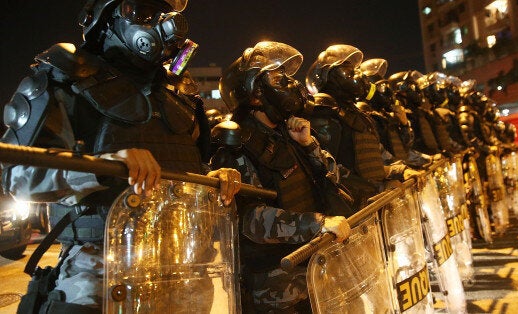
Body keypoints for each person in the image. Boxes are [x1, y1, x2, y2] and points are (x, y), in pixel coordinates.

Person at [0, 1, 241, 312]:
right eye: (139, 10)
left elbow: (193, 165)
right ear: (104, 15)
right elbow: (14, 176)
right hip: (99, 275)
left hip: (182, 274)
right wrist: (102, 169)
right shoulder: (67, 77)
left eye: (164, 14)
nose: (158, 22)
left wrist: (214, 181)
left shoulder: (180, 94)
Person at [216, 41, 352, 313]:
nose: (290, 85)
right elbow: (249, 219)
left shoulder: (286, 134)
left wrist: (308, 145)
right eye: (278, 78)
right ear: (254, 93)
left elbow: (333, 180)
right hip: (276, 287)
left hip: (312, 270)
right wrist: (317, 224)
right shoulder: (238, 141)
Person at [304, 44, 422, 211]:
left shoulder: (355, 114)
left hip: (373, 206)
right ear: (330, 77)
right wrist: (379, 188)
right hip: (351, 214)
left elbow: (375, 159)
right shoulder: (323, 114)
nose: (357, 76)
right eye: (348, 72)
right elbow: (329, 171)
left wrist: (401, 171)